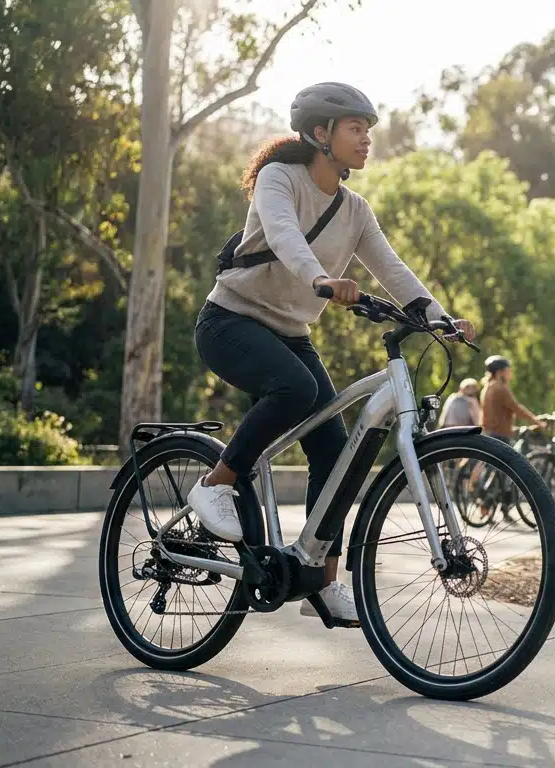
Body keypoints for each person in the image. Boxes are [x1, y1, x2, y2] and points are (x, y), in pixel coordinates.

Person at [187, 82, 476, 625]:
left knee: (335, 453)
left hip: (290, 334)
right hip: (229, 322)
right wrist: (322, 278)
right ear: (321, 134)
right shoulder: (279, 179)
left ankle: (320, 577)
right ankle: (214, 486)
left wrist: (438, 317)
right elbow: (283, 235)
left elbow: (391, 269)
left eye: (368, 130)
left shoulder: (355, 210)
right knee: (294, 390)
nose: (366, 140)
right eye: (356, 129)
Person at [479, 356, 541, 445]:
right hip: (499, 436)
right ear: (500, 372)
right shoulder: (500, 388)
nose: (510, 374)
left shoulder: (487, 387)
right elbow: (516, 408)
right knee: (516, 458)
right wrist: (536, 421)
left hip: (490, 433)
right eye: (508, 371)